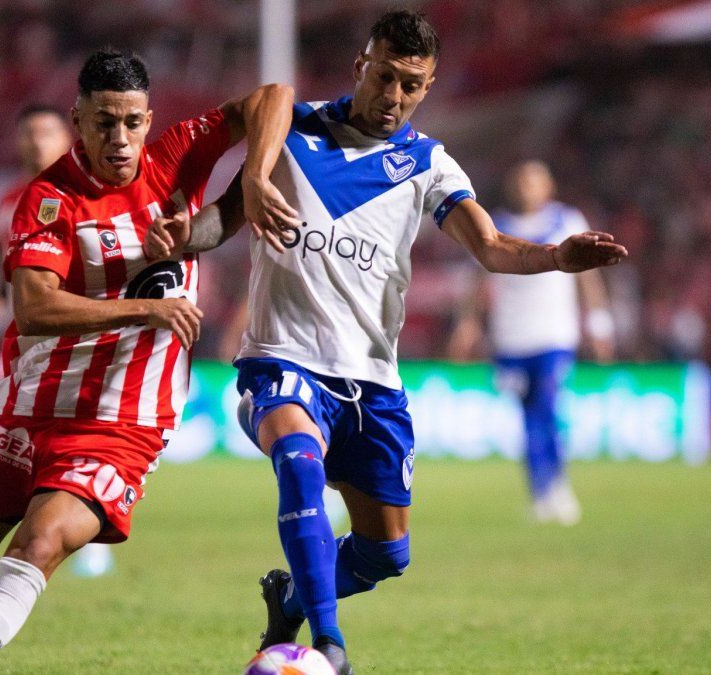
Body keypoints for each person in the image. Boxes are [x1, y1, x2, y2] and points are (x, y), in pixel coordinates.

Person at [181, 10, 628, 673]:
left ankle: (293, 599)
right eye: (384, 77)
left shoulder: (426, 163)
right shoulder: (294, 130)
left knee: (386, 553)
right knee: (300, 459)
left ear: (428, 86)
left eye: (411, 85)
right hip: (284, 357)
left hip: (373, 381)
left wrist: (558, 256)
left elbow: (493, 246)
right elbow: (225, 200)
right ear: (362, 66)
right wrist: (167, 234)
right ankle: (329, 648)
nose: (393, 97)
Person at [0, 50, 296, 674]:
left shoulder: (176, 155)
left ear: (148, 120)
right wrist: (143, 311)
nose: (118, 139)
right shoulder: (48, 199)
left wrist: (253, 179)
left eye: (130, 122)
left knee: (40, 541)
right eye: (102, 123)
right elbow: (36, 308)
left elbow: (274, 96)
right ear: (78, 119)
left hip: (121, 420)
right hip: (31, 407)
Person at [448, 160, 616, 525]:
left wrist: (600, 324)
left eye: (534, 180)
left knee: (549, 409)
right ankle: (541, 490)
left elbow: (588, 279)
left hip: (555, 335)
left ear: (549, 186)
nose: (526, 186)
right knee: (528, 418)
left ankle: (558, 485)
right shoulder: (496, 228)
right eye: (520, 179)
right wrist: (468, 324)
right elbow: (475, 283)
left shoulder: (567, 221)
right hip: (511, 339)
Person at [0, 104, 73, 350]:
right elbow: (6, 256)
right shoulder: (10, 200)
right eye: (30, 133)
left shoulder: (80, 194)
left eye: (47, 133)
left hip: (69, 325)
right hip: (20, 328)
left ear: (66, 137)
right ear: (18, 141)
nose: (38, 142)